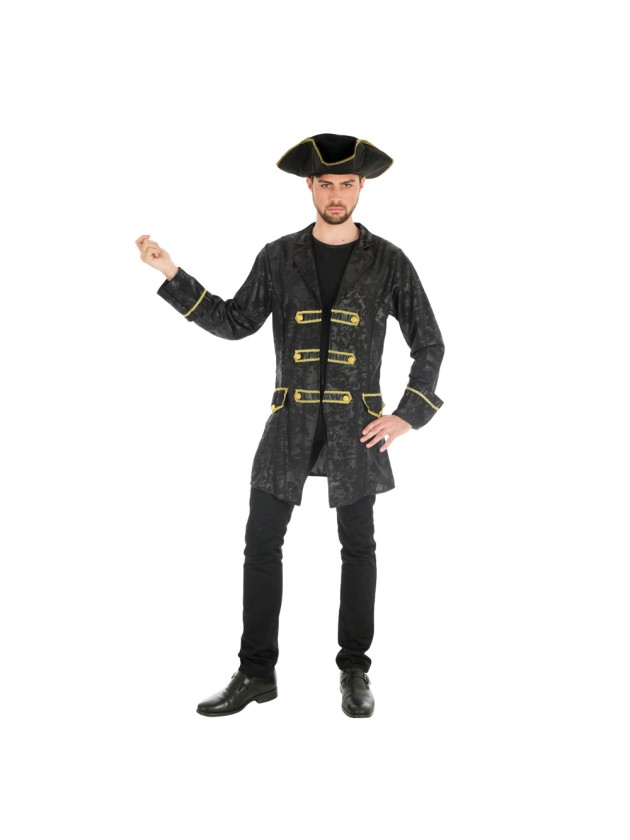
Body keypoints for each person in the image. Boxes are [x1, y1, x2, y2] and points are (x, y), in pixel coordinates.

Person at [135, 133, 445, 718]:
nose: (336, 195)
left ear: (361, 186)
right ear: (310, 186)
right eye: (326, 184)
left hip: (358, 426)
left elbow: (429, 341)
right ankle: (257, 673)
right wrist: (171, 272)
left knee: (358, 546)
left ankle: (354, 670)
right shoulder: (279, 256)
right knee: (260, 543)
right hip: (290, 420)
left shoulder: (389, 261)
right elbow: (235, 321)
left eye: (346, 184)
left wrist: (408, 413)